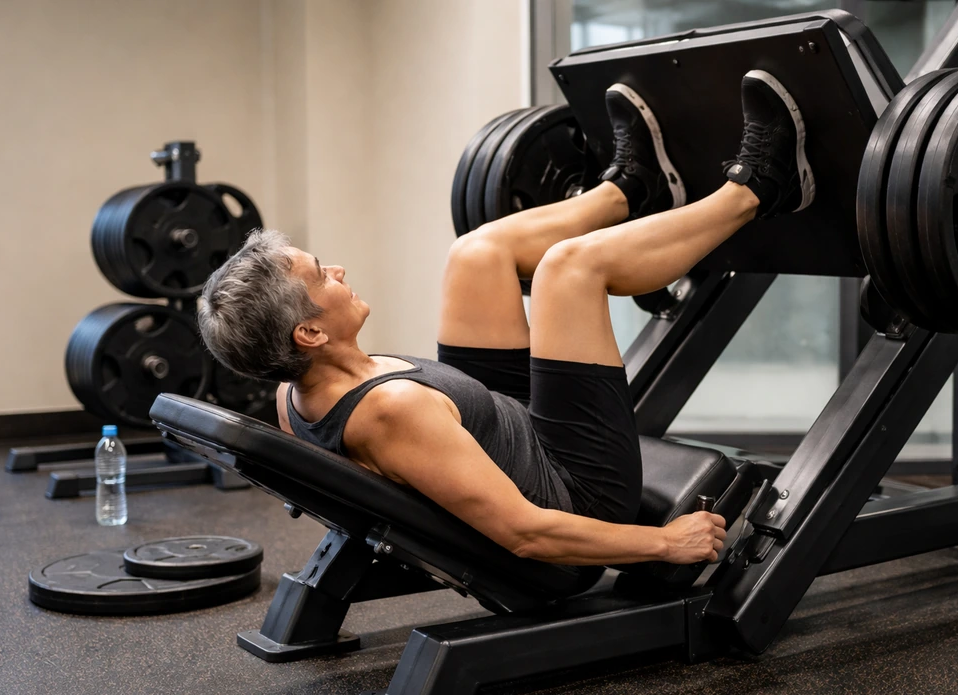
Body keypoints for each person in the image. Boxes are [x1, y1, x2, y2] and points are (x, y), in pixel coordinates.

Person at [198, 70, 814, 568]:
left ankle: (629, 190)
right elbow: (526, 536)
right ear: (308, 332)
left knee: (475, 256)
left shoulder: (291, 389)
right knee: (567, 270)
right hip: (577, 488)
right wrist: (663, 543)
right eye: (318, 276)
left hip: (504, 424)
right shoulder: (389, 413)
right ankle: (761, 188)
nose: (335, 270)